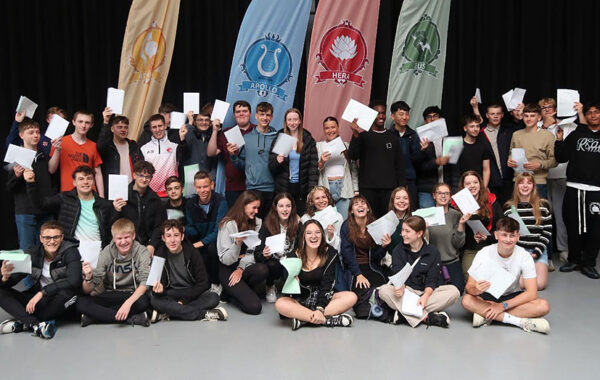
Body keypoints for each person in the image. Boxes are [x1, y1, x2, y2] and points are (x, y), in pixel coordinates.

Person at [462, 217, 551, 333]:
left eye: (512, 236)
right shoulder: (484, 253)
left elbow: (532, 293)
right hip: (487, 296)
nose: (508, 240)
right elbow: (469, 287)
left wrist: (502, 306)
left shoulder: (524, 256)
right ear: (496, 235)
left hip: (512, 297)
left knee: (543, 306)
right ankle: (519, 322)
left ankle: (486, 315)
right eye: (504, 235)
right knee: (466, 300)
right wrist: (476, 289)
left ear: (518, 237)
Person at [0, 221, 81, 339]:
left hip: (58, 299)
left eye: (56, 237)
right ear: (41, 238)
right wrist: (5, 277)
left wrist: (42, 292)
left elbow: (74, 281)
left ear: (62, 237)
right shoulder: (33, 254)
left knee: (68, 295)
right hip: (38, 301)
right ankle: (35, 325)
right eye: (47, 237)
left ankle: (24, 323)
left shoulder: (71, 251)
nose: (52, 241)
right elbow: (14, 279)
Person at [378, 216, 460, 328]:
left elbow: (432, 279)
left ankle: (405, 314)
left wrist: (425, 296)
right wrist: (399, 287)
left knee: (454, 291)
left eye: (407, 231)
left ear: (419, 233)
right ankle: (427, 317)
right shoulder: (398, 250)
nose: (403, 234)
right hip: (406, 291)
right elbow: (398, 274)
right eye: (402, 230)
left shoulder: (433, 252)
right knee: (383, 290)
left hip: (426, 293)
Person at [275, 220, 357, 330]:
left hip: (324, 299)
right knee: (280, 303)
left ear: (322, 235)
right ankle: (326, 320)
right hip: (301, 301)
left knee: (351, 297)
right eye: (309, 233)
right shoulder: (293, 256)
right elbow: (288, 289)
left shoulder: (330, 253)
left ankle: (304, 319)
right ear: (303, 236)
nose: (313, 236)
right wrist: (292, 282)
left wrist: (320, 309)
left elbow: (327, 285)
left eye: (317, 232)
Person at [76, 218, 151, 327]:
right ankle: (130, 318)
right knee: (80, 302)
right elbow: (90, 289)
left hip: (133, 294)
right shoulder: (107, 252)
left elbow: (145, 282)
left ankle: (96, 317)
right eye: (119, 238)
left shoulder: (142, 251)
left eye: (126, 237)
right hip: (112, 294)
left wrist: (128, 303)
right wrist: (88, 278)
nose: (123, 242)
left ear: (133, 236)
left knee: (144, 302)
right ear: (114, 239)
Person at [150, 220, 226, 323]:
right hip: (171, 293)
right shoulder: (159, 256)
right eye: (168, 236)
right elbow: (158, 288)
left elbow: (203, 284)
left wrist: (184, 301)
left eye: (176, 235)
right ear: (163, 238)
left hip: (191, 292)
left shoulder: (193, 253)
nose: (172, 240)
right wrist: (158, 291)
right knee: (154, 299)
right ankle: (204, 314)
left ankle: (168, 312)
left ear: (182, 237)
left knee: (213, 297)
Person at [556, 101, 600, 279]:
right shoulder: (576, 134)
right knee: (572, 224)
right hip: (574, 187)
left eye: (597, 112)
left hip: (596, 189)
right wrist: (559, 140)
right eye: (590, 113)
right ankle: (573, 259)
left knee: (595, 227)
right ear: (586, 116)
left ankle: (589, 263)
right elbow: (561, 157)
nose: (593, 115)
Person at [25, 165, 114, 248]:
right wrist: (30, 183)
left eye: (89, 178)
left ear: (94, 182)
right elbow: (40, 205)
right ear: (74, 182)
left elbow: (112, 230)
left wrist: (116, 211)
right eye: (81, 179)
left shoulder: (104, 204)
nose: (85, 182)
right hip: (71, 249)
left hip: (98, 248)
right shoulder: (64, 198)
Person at [348, 100, 405, 218]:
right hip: (368, 188)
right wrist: (355, 136)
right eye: (377, 113)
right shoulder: (363, 136)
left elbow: (399, 164)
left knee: (388, 220)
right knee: (369, 220)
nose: (380, 116)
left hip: (389, 188)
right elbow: (353, 156)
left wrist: (401, 187)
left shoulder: (393, 137)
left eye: (383, 113)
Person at [217, 191, 267, 314]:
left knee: (262, 269)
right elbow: (225, 259)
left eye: (258, 208)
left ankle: (237, 290)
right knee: (254, 307)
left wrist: (240, 269)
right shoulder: (227, 224)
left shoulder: (258, 223)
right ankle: (230, 291)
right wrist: (236, 244)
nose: (256, 211)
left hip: (244, 266)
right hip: (227, 267)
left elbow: (253, 253)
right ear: (244, 205)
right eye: (254, 208)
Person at [339, 195, 390, 319]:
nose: (360, 205)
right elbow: (347, 254)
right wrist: (358, 275)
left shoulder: (375, 225)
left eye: (363, 203)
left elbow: (376, 257)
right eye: (356, 204)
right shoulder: (346, 226)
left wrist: (384, 247)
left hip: (372, 266)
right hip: (354, 269)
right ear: (351, 211)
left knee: (382, 288)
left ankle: (376, 305)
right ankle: (371, 308)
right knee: (361, 291)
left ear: (368, 209)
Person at [7, 118, 53, 251]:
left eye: (37, 132)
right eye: (31, 132)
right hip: (25, 211)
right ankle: (28, 273)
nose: (35, 135)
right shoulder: (16, 157)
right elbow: (9, 188)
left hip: (45, 209)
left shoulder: (43, 156)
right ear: (21, 135)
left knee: (46, 249)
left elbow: (51, 181)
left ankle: (44, 273)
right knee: (27, 248)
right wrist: (16, 175)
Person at [503, 173, 552, 290]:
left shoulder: (543, 206)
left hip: (537, 251)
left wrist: (536, 253)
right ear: (516, 186)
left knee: (540, 285)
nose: (525, 186)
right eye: (521, 183)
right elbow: (508, 236)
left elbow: (547, 232)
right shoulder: (509, 208)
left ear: (533, 186)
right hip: (517, 252)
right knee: (518, 283)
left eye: (529, 183)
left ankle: (521, 278)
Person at [230, 102, 278, 218]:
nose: (264, 118)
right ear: (256, 116)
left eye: (268, 115)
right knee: (253, 224)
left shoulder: (277, 137)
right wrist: (232, 155)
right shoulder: (246, 138)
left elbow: (281, 164)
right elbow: (242, 165)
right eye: (262, 114)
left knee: (270, 225)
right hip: (253, 188)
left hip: (272, 189)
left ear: (271, 117)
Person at [186, 171, 229, 294]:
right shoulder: (190, 203)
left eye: (205, 186)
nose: (202, 190)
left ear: (212, 185)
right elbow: (191, 228)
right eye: (199, 187)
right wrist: (186, 230)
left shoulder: (221, 202)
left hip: (215, 243)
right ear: (195, 188)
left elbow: (218, 232)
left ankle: (216, 283)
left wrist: (200, 243)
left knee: (211, 249)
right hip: (199, 241)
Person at [268, 108, 318, 215]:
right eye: (289, 120)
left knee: (301, 218)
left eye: (295, 119)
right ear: (286, 121)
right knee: (284, 218)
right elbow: (271, 167)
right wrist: (277, 161)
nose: (292, 122)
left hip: (302, 188)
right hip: (284, 187)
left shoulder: (308, 139)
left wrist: (311, 191)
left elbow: (313, 168)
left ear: (300, 121)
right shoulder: (280, 138)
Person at [472, 101, 522, 204]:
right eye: (492, 114)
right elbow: (477, 122)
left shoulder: (509, 130)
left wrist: (520, 115)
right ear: (487, 115)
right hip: (491, 182)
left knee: (510, 211)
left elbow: (523, 133)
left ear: (502, 115)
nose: (495, 116)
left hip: (509, 180)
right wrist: (475, 107)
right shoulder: (481, 132)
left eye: (498, 114)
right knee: (493, 213)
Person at [454, 171, 503, 277]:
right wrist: (462, 223)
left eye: (475, 182)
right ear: (463, 186)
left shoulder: (491, 200)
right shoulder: (457, 205)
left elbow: (501, 227)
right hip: (470, 248)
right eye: (468, 183)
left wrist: (487, 237)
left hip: (490, 246)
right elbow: (457, 238)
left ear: (480, 184)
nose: (472, 186)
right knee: (471, 279)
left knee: (492, 278)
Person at [207, 100, 255, 207]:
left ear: (250, 114)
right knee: (234, 221)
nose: (241, 113)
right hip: (233, 187)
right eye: (238, 112)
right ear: (234, 115)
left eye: (244, 111)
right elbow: (211, 153)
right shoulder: (226, 133)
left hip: (254, 186)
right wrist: (215, 131)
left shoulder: (257, 131)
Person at [254, 193, 301, 303]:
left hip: (290, 260)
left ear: (292, 208)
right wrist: (264, 254)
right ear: (275, 208)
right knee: (271, 265)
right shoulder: (267, 224)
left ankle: (290, 288)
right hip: (274, 262)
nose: (285, 210)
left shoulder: (298, 223)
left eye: (288, 206)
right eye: (281, 206)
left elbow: (301, 246)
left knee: (292, 260)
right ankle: (270, 286)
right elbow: (258, 252)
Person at [48, 110, 104, 197]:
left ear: (91, 125)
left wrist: (101, 195)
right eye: (80, 121)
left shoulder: (93, 146)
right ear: (74, 122)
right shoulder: (61, 142)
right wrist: (57, 150)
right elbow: (51, 169)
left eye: (87, 122)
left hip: (90, 194)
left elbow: (98, 172)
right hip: (68, 194)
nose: (83, 125)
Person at [112, 161, 162, 257]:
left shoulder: (155, 199)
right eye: (141, 175)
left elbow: (158, 226)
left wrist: (152, 245)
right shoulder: (122, 194)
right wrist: (116, 210)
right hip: (126, 242)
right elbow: (113, 225)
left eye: (147, 177)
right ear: (134, 175)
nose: (144, 179)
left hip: (148, 243)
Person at [508, 103, 557, 198]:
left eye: (532, 116)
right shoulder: (516, 135)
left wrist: (540, 164)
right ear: (522, 117)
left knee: (539, 211)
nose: (528, 119)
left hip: (538, 182)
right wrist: (510, 161)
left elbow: (554, 161)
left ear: (539, 118)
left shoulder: (548, 136)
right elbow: (511, 153)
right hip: (519, 181)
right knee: (516, 212)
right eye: (526, 116)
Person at [428, 183, 469, 294]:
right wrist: (424, 230)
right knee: (437, 293)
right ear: (434, 196)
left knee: (458, 292)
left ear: (450, 196)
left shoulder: (456, 215)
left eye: (446, 193)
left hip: (453, 262)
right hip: (434, 263)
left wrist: (461, 224)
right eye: (440, 193)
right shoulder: (426, 215)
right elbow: (423, 245)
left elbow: (459, 244)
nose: (443, 196)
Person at [316, 116, 359, 219]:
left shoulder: (346, 146)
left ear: (338, 128)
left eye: (333, 127)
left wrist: (356, 190)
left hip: (344, 188)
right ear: (324, 130)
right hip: (326, 189)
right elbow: (313, 170)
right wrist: (321, 162)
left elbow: (353, 170)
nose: (330, 130)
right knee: (326, 222)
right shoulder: (318, 146)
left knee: (344, 222)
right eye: (327, 128)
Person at [138, 114, 186, 198]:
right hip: (150, 193)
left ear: (165, 126)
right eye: (154, 127)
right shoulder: (143, 147)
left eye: (160, 126)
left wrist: (183, 140)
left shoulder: (175, 143)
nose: (157, 130)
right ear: (150, 129)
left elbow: (184, 157)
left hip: (171, 192)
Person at [413, 106, 450, 208]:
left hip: (446, 189)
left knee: (446, 219)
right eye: (429, 117)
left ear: (440, 119)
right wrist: (435, 161)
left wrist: (454, 189)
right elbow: (417, 166)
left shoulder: (448, 139)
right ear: (425, 121)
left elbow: (455, 168)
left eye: (435, 116)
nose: (433, 119)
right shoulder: (419, 139)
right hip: (426, 189)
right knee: (427, 221)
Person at [97, 110, 142, 190]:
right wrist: (105, 122)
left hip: (132, 187)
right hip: (114, 188)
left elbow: (141, 165)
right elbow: (99, 147)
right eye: (119, 127)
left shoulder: (133, 145)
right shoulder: (108, 146)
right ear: (112, 129)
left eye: (126, 127)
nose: (123, 130)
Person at [389, 100, 420, 206]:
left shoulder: (413, 135)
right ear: (393, 116)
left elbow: (416, 160)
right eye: (401, 114)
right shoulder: (388, 135)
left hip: (409, 179)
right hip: (391, 179)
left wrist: (422, 150)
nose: (404, 117)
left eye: (407, 114)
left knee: (411, 208)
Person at [300, 186, 344, 251]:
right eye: (317, 198)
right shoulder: (306, 218)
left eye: (324, 197)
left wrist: (331, 236)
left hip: (331, 254)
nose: (321, 201)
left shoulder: (338, 217)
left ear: (328, 198)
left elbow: (340, 246)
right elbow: (302, 242)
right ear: (312, 202)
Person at [179, 108, 218, 179]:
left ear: (210, 123)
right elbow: (185, 136)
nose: (204, 122)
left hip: (206, 177)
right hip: (189, 177)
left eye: (206, 120)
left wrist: (212, 178)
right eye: (200, 120)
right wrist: (190, 122)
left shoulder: (213, 138)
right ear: (195, 122)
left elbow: (215, 161)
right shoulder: (190, 134)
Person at [457, 113, 493, 188]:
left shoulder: (484, 145)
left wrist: (484, 188)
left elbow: (486, 169)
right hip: (461, 186)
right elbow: (451, 172)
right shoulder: (456, 145)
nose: (475, 129)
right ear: (465, 128)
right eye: (472, 126)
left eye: (477, 126)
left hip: (478, 185)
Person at [386, 186, 413, 253]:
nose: (402, 201)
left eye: (405, 198)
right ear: (393, 201)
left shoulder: (415, 219)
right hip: (392, 260)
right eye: (398, 198)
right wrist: (383, 245)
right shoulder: (385, 221)